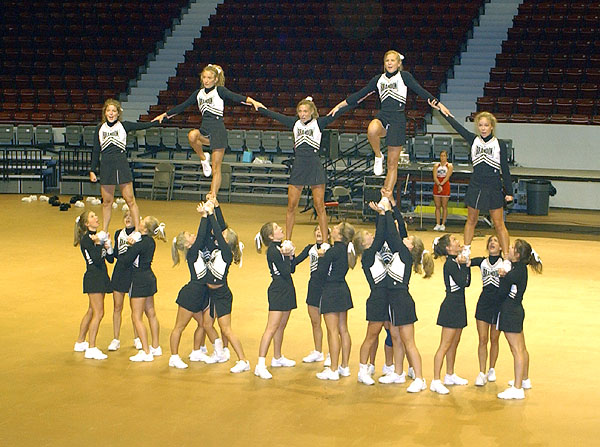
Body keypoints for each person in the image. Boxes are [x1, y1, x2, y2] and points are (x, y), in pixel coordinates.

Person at [328, 50, 451, 193]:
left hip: (398, 119)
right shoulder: (378, 80)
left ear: (399, 63)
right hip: (384, 115)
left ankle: (386, 194)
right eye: (387, 60)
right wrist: (339, 105)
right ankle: (378, 155)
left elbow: (421, 91)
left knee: (392, 164)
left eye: (393, 60)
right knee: (372, 129)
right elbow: (359, 95)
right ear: (384, 64)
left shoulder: (404, 77)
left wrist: (439, 104)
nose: (390, 63)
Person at [353, 195, 432, 392]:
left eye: (408, 239)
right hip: (385, 298)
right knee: (387, 336)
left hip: (398, 299)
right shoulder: (375, 253)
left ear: (411, 246)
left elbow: (390, 235)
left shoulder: (402, 253)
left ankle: (416, 377)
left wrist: (386, 211)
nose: (404, 237)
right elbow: (384, 236)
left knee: (405, 340)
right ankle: (389, 371)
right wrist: (385, 212)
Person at [152, 64, 264, 196]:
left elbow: (236, 97)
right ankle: (204, 158)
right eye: (204, 77)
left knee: (216, 168)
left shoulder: (219, 91)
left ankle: (212, 196)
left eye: (209, 77)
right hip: (204, 130)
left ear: (215, 79)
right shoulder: (198, 94)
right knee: (192, 135)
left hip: (218, 131)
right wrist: (164, 115)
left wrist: (253, 102)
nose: (206, 80)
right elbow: (182, 106)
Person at [257, 97, 353, 241]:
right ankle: (288, 241)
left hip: (314, 164)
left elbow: (338, 113)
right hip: (299, 165)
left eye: (305, 111)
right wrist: (259, 106)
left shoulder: (319, 123)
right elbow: (274, 115)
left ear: (312, 112)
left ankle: (326, 242)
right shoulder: (294, 124)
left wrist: (342, 104)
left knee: (319, 206)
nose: (303, 114)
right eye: (300, 111)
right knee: (291, 206)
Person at [430, 106, 513, 264]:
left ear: (492, 127)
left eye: (486, 125)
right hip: (476, 183)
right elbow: (456, 126)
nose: (483, 128)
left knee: (498, 223)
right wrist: (442, 111)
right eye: (480, 125)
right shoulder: (473, 139)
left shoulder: (499, 144)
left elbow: (505, 168)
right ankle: (466, 251)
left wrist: (508, 191)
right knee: (471, 219)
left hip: (494, 184)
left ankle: (507, 256)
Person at [90, 98, 161, 233]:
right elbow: (95, 150)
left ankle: (138, 230)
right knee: (107, 202)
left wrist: (157, 121)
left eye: (114, 111)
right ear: (105, 112)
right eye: (108, 110)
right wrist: (92, 170)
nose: (111, 113)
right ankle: (104, 231)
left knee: (130, 200)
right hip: (106, 165)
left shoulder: (124, 126)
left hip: (121, 164)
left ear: (118, 113)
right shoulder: (99, 128)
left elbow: (143, 126)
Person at [168, 203, 222, 369]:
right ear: (187, 244)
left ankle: (196, 351)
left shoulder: (196, 250)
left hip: (201, 294)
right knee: (179, 327)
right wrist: (204, 216)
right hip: (190, 294)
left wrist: (211, 213)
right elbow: (200, 236)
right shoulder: (191, 253)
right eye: (190, 235)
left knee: (203, 324)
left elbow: (203, 235)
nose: (193, 236)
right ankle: (174, 357)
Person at [203, 199, 250, 373]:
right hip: (211, 294)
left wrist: (209, 214)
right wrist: (216, 207)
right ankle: (220, 352)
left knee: (227, 329)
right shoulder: (219, 248)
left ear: (227, 242)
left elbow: (217, 229)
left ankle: (243, 360)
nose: (219, 235)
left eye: (223, 236)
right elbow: (221, 227)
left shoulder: (225, 253)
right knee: (207, 325)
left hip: (222, 294)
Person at [496, 239, 542, 400]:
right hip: (517, 310)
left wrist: (502, 275)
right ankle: (524, 379)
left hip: (510, 312)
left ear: (516, 254)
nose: (508, 248)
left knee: (516, 350)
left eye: (512, 247)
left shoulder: (513, 272)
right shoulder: (520, 269)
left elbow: (501, 293)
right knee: (521, 347)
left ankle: (517, 388)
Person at [119, 216, 166, 362]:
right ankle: (156, 347)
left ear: (144, 228)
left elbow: (126, 260)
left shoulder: (139, 243)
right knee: (151, 313)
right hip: (149, 278)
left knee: (136, 316)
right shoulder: (151, 242)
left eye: (141, 222)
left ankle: (146, 351)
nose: (138, 223)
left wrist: (128, 245)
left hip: (139, 280)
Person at [254, 222, 297, 379]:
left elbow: (292, 268)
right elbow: (285, 271)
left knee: (281, 326)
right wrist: (286, 255)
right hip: (278, 289)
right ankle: (260, 364)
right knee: (271, 328)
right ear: (272, 236)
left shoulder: (280, 248)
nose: (281, 229)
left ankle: (277, 357)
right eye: (277, 228)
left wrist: (292, 254)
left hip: (287, 288)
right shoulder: (273, 251)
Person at [430, 234, 471, 394]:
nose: (458, 241)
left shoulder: (456, 262)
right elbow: (461, 281)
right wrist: (465, 265)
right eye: (454, 240)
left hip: (460, 304)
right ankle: (435, 380)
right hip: (451, 306)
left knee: (454, 343)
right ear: (448, 248)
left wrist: (465, 264)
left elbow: (467, 283)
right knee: (445, 345)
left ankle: (450, 374)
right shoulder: (450, 264)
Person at [314, 222, 355, 381]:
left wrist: (321, 258)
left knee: (332, 331)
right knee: (343, 329)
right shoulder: (346, 250)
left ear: (339, 235)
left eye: (337, 228)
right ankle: (344, 366)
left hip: (331, 291)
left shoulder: (331, 252)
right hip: (343, 290)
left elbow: (320, 273)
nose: (333, 229)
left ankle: (332, 369)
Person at [73, 211, 113, 360]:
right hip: (93, 278)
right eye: (92, 217)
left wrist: (108, 246)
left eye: (95, 216)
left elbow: (109, 259)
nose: (96, 218)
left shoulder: (98, 237)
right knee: (99, 312)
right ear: (86, 224)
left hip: (101, 276)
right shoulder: (86, 240)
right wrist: (98, 244)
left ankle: (80, 341)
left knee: (91, 310)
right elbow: (96, 259)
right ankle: (92, 347)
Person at [293, 225, 330, 364]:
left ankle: (332, 354)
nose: (319, 232)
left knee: (330, 324)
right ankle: (318, 351)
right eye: (317, 230)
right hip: (313, 285)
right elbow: (295, 262)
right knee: (315, 321)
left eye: (322, 229)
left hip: (327, 286)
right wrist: (289, 255)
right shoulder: (310, 248)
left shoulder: (330, 249)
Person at [470, 236, 503, 386]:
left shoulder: (505, 264)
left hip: (498, 304)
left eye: (496, 241)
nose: (492, 243)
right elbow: (465, 262)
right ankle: (481, 372)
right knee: (483, 339)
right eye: (490, 241)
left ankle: (491, 369)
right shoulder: (482, 262)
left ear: (501, 247)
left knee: (494, 339)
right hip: (484, 303)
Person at [107, 211, 141, 351]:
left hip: (134, 272)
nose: (127, 219)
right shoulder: (118, 233)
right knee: (117, 307)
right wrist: (108, 248)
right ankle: (116, 339)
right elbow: (114, 256)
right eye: (125, 216)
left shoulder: (139, 235)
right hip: (120, 272)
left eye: (130, 216)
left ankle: (137, 338)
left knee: (135, 309)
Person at [433, 150, 453, 231]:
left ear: (446, 157)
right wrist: (438, 184)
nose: (442, 157)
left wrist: (441, 185)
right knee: (437, 206)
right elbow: (434, 177)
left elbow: (447, 177)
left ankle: (443, 224)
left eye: (444, 156)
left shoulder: (449, 166)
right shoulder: (436, 166)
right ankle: (437, 223)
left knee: (444, 206)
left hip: (445, 185)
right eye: (441, 156)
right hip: (437, 185)